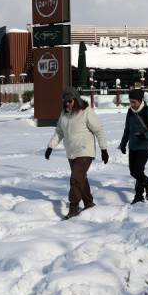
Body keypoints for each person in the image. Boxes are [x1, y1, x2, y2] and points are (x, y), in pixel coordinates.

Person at [45, 87, 109, 219]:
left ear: (76, 99)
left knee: (75, 179)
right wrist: (50, 147)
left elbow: (99, 130)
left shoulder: (86, 111)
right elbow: (59, 132)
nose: (67, 104)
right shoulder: (64, 114)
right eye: (65, 101)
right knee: (80, 179)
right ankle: (88, 203)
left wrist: (104, 149)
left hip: (85, 151)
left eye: (70, 101)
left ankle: (73, 208)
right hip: (71, 153)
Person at [119, 89, 148, 204]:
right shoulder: (130, 112)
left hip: (144, 145)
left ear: (140, 100)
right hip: (133, 146)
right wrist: (123, 144)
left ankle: (139, 195)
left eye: (134, 102)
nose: (132, 104)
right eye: (130, 102)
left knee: (138, 170)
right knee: (134, 172)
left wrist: (145, 135)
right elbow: (127, 129)